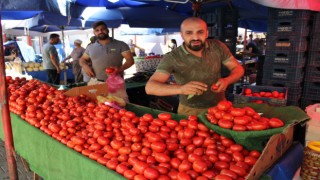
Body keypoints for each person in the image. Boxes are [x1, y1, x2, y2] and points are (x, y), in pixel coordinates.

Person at [145, 17, 244, 116]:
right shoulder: (172, 57)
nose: (195, 38)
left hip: (220, 107)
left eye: (200, 32)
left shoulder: (218, 46)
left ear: (206, 33)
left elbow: (238, 69)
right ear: (182, 35)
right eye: (189, 33)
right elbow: (150, 87)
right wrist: (181, 89)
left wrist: (227, 80)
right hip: (190, 111)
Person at [79, 21, 134, 87]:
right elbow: (82, 59)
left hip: (116, 82)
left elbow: (130, 60)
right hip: (96, 82)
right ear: (94, 33)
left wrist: (120, 69)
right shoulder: (90, 47)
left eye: (103, 29)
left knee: (118, 98)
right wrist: (85, 66)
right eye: (97, 30)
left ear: (107, 30)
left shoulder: (121, 44)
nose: (100, 31)